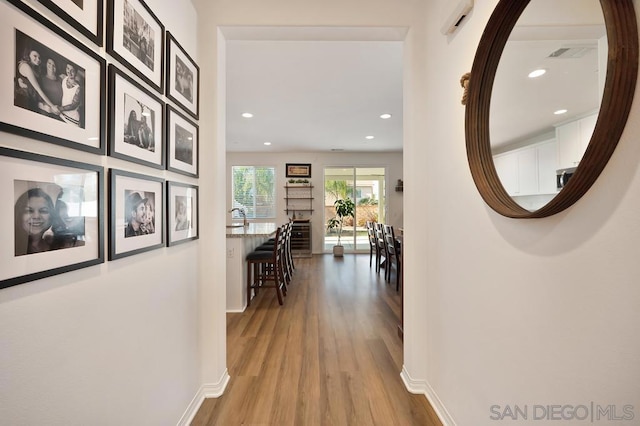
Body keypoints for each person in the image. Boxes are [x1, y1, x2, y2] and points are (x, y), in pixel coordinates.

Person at [15, 48, 60, 116]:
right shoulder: (26, 66)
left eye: (39, 57)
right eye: (35, 56)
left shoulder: (35, 69)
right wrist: (52, 106)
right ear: (29, 55)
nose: (38, 59)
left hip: (31, 100)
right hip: (23, 99)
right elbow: (38, 90)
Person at [14, 188, 55, 256]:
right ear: (19, 215)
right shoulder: (9, 247)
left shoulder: (55, 244)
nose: (36, 216)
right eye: (29, 211)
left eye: (43, 211)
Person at [59, 63, 82, 127]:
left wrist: (59, 108)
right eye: (68, 68)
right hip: (62, 116)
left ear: (76, 72)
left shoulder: (78, 88)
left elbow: (73, 105)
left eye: (72, 71)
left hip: (73, 120)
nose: (69, 72)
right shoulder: (64, 78)